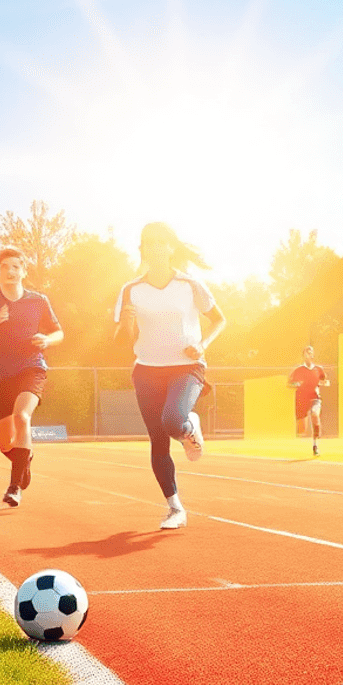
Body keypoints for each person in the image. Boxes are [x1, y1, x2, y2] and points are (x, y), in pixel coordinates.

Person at [114, 223, 226, 531]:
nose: (155, 247)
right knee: (158, 442)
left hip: (186, 367)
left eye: (161, 242)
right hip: (146, 370)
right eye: (149, 243)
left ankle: (189, 427)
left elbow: (219, 319)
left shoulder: (190, 284)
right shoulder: (130, 290)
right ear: (143, 250)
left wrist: (202, 344)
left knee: (172, 420)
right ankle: (175, 507)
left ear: (171, 247)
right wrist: (126, 324)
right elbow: (125, 339)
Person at [0, 248, 64, 507]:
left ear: (23, 271)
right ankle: (24, 458)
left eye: (16, 267)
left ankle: (14, 486)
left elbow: (58, 332)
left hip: (31, 367)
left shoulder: (38, 300)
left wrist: (47, 340)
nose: (10, 271)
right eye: (5, 266)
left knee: (23, 416)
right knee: (5, 443)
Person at [288, 345, 329, 455]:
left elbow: (325, 381)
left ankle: (315, 445)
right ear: (304, 355)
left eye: (311, 352)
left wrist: (325, 383)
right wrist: (297, 384)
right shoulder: (298, 370)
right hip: (302, 400)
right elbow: (289, 383)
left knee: (315, 415)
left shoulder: (318, 369)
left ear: (313, 354)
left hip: (315, 398)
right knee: (301, 430)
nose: (309, 354)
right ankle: (304, 428)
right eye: (307, 352)